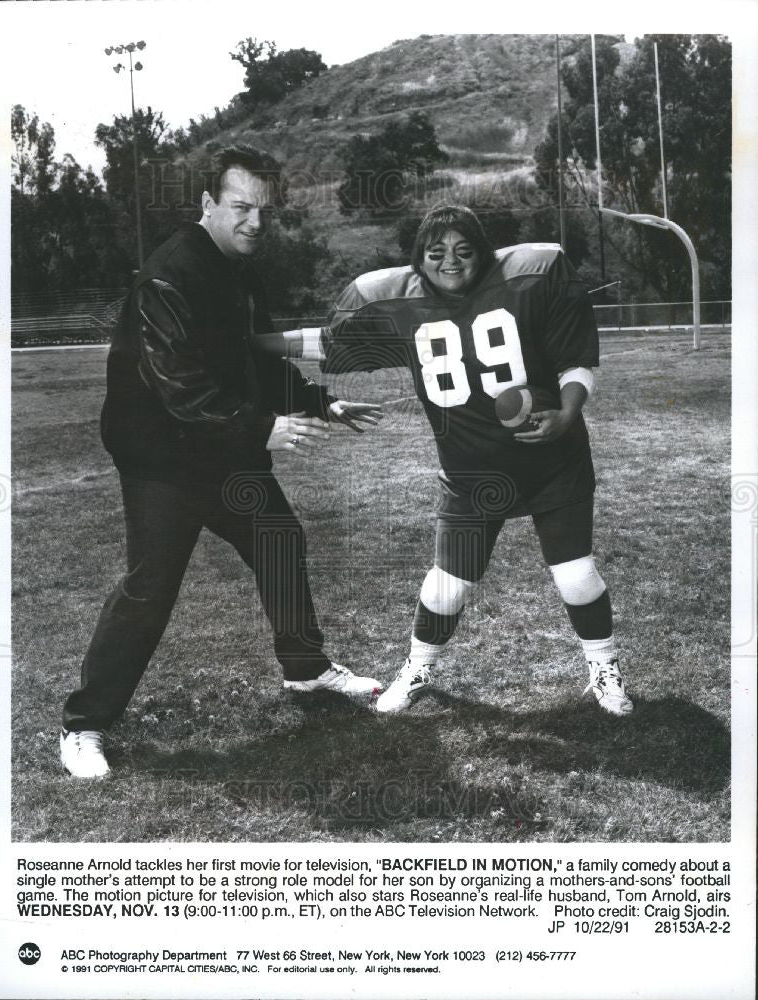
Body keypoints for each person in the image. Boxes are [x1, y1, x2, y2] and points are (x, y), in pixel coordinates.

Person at [60, 145, 383, 778]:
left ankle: (307, 671)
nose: (255, 223)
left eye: (265, 211)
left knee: (279, 541)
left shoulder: (238, 268)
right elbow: (179, 388)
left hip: (227, 449)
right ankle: (83, 725)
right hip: (163, 459)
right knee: (151, 588)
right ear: (208, 204)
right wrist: (262, 429)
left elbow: (255, 360)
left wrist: (322, 404)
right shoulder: (169, 275)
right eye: (240, 208)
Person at [256, 205, 633, 717]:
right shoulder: (401, 306)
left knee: (576, 575)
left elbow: (575, 357)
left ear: (484, 253)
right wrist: (250, 344)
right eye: (436, 254)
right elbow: (332, 345)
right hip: (470, 470)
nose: (450, 263)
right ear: (418, 260)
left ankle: (604, 668)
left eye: (463, 250)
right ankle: (417, 668)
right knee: (447, 586)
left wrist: (567, 412)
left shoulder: (530, 280)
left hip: (551, 459)